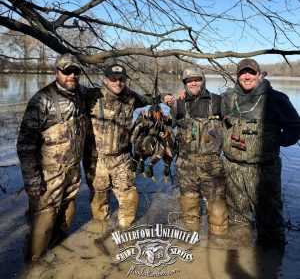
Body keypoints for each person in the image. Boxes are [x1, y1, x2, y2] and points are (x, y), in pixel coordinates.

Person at [17, 54, 88, 262]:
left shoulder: (82, 95)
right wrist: (33, 181)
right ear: (57, 72)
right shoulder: (42, 100)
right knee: (44, 220)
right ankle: (34, 265)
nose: (72, 75)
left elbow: (111, 92)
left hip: (72, 172)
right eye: (67, 71)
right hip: (48, 175)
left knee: (67, 213)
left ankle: (57, 257)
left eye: (76, 71)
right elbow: (25, 145)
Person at [222, 58, 300, 246]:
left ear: (259, 75)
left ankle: (271, 266)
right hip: (232, 168)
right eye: (242, 73)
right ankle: (240, 259)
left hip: (263, 171)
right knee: (237, 219)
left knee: (270, 223)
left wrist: (274, 141)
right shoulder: (227, 98)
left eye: (251, 72)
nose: (246, 76)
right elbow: (204, 107)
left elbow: (296, 129)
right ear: (237, 76)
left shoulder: (276, 99)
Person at [84, 64, 153, 229]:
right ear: (105, 80)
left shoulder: (131, 97)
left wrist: (165, 98)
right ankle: (100, 232)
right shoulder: (91, 96)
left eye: (121, 79)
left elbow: (149, 100)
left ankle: (125, 233)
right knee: (99, 200)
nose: (118, 83)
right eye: (113, 79)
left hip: (122, 158)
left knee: (130, 197)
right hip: (96, 159)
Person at [164, 67, 228, 235]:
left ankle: (219, 246)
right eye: (189, 80)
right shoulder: (179, 104)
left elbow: (233, 121)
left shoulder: (217, 101)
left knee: (218, 211)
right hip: (186, 164)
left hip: (212, 165)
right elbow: (167, 128)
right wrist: (167, 100)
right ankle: (192, 244)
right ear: (184, 84)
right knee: (189, 208)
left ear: (203, 80)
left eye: (196, 79)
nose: (193, 83)